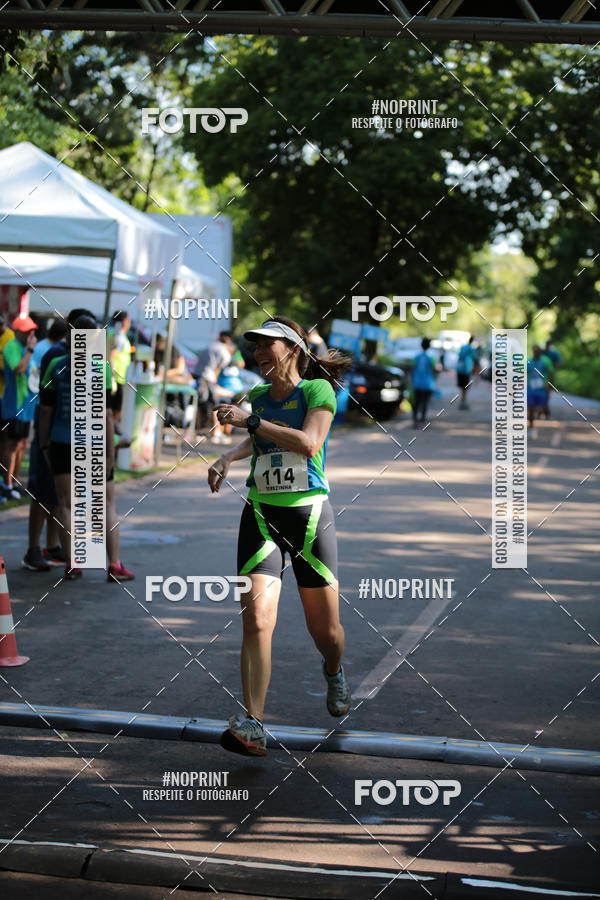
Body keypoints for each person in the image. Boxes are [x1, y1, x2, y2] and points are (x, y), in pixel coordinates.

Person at [208, 316, 351, 757]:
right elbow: (260, 441)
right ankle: (253, 724)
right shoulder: (257, 397)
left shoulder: (317, 391)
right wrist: (228, 456)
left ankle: (334, 669)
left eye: (266, 345)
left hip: (309, 518)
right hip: (260, 513)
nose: (257, 354)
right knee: (256, 619)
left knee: (325, 631)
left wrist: (250, 422)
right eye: (254, 347)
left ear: (291, 349)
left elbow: (307, 443)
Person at [39, 314, 134, 582]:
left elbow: (45, 410)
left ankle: (72, 564)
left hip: (61, 441)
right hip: (94, 444)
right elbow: (107, 415)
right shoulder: (102, 369)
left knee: (66, 505)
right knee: (106, 504)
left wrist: (44, 445)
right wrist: (111, 452)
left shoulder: (55, 366)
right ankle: (114, 566)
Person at [23, 319, 68, 571]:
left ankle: (51, 546)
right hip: (49, 433)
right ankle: (33, 549)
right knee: (42, 492)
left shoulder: (68, 355)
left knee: (55, 495)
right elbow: (46, 403)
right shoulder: (56, 356)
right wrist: (43, 442)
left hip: (58, 434)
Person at [0, 315, 38, 500]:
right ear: (16, 332)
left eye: (32, 330)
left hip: (26, 406)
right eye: (26, 331)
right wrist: (30, 351)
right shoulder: (12, 347)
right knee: (11, 445)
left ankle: (14, 482)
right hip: (13, 406)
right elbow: (19, 369)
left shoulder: (26, 348)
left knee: (22, 444)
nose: (30, 334)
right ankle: (6, 485)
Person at [194, 331, 233, 443]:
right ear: (228, 341)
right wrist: (215, 380)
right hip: (208, 378)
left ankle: (199, 431)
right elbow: (219, 368)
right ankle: (216, 432)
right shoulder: (224, 351)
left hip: (198, 376)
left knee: (200, 404)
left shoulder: (209, 346)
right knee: (214, 405)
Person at [107, 310, 132, 429]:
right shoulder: (119, 337)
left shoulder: (114, 334)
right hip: (115, 379)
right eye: (129, 320)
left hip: (115, 378)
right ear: (125, 322)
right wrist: (112, 376)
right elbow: (111, 356)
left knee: (112, 411)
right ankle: (112, 436)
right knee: (114, 412)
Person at [0, 314, 15, 505]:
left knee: (6, 442)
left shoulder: (10, 337)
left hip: (6, 398)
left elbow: (14, 368)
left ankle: (7, 484)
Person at [410, 337, 439, 428]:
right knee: (424, 403)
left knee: (416, 402)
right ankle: (422, 421)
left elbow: (412, 368)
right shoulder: (431, 357)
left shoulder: (416, 356)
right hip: (427, 384)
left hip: (417, 383)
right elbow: (435, 369)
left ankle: (415, 420)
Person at [527, 345, 552, 438]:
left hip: (542, 390)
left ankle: (540, 413)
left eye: (538, 351)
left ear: (540, 352)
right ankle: (532, 428)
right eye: (534, 351)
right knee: (530, 409)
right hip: (531, 389)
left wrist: (548, 385)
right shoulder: (528, 362)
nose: (536, 353)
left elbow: (551, 372)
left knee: (541, 410)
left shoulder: (545, 362)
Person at [456, 336, 479, 410]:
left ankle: (462, 401)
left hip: (460, 369)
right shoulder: (471, 349)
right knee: (465, 387)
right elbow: (475, 358)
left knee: (463, 387)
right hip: (466, 370)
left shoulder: (463, 347)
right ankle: (463, 402)